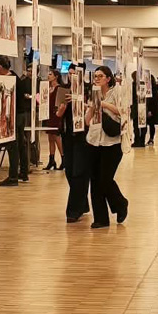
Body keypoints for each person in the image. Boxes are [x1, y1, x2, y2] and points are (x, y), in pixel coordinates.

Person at [85, 65, 130, 227]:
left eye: (100, 76)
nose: (97, 79)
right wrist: (92, 107)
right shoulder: (93, 94)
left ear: (108, 79)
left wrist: (103, 105)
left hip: (112, 142)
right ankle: (100, 218)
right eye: (95, 76)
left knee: (105, 179)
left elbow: (123, 111)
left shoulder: (116, 92)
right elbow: (87, 121)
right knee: (95, 180)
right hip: (94, 140)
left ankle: (120, 203)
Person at [0, 55, 31, 186]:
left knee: (13, 145)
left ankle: (13, 177)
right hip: (21, 115)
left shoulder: (9, 81)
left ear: (0, 67)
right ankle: (24, 172)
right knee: (21, 144)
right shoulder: (16, 77)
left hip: (14, 116)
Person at [62, 66, 92, 222]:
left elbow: (93, 111)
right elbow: (58, 113)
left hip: (84, 135)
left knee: (79, 172)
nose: (71, 76)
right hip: (68, 134)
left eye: (74, 74)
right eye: (69, 74)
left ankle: (73, 210)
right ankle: (82, 203)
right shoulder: (64, 90)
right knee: (69, 171)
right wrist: (63, 106)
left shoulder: (89, 89)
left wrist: (80, 102)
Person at [44, 69, 66, 171]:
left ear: (56, 76)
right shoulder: (48, 88)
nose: (48, 76)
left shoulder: (59, 88)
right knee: (50, 138)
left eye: (50, 74)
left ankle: (63, 158)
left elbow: (61, 102)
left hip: (56, 115)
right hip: (48, 115)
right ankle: (51, 160)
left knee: (57, 137)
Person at [145, 74, 158, 144]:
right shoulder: (155, 87)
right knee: (151, 125)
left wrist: (149, 110)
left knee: (150, 124)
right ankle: (151, 138)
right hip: (153, 109)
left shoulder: (151, 88)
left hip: (150, 109)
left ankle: (151, 139)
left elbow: (151, 100)